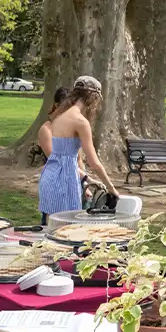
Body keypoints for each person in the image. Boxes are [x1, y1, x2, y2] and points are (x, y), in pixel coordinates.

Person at [37, 76, 119, 222]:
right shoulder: (81, 122)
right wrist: (111, 187)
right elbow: (94, 163)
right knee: (66, 232)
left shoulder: (58, 117)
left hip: (49, 177)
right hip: (65, 182)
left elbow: (61, 157)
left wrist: (87, 180)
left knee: (49, 231)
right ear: (93, 98)